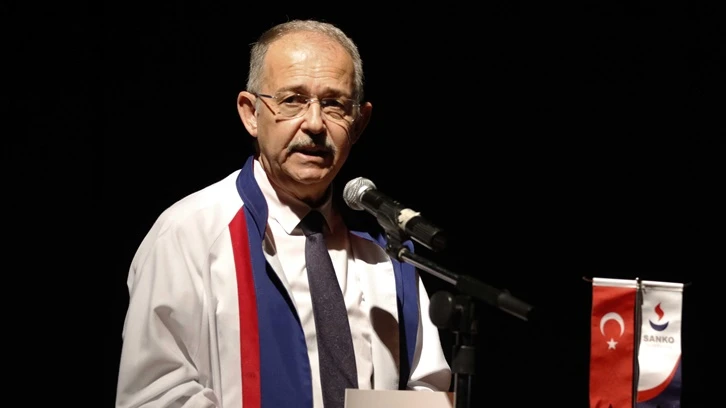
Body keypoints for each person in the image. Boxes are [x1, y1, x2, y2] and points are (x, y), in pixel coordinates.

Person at [115, 19, 452, 408]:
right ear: (251, 114)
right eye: (292, 99)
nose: (314, 124)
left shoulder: (387, 250)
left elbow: (427, 391)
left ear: (359, 123)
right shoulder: (189, 233)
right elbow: (156, 395)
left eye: (334, 104)